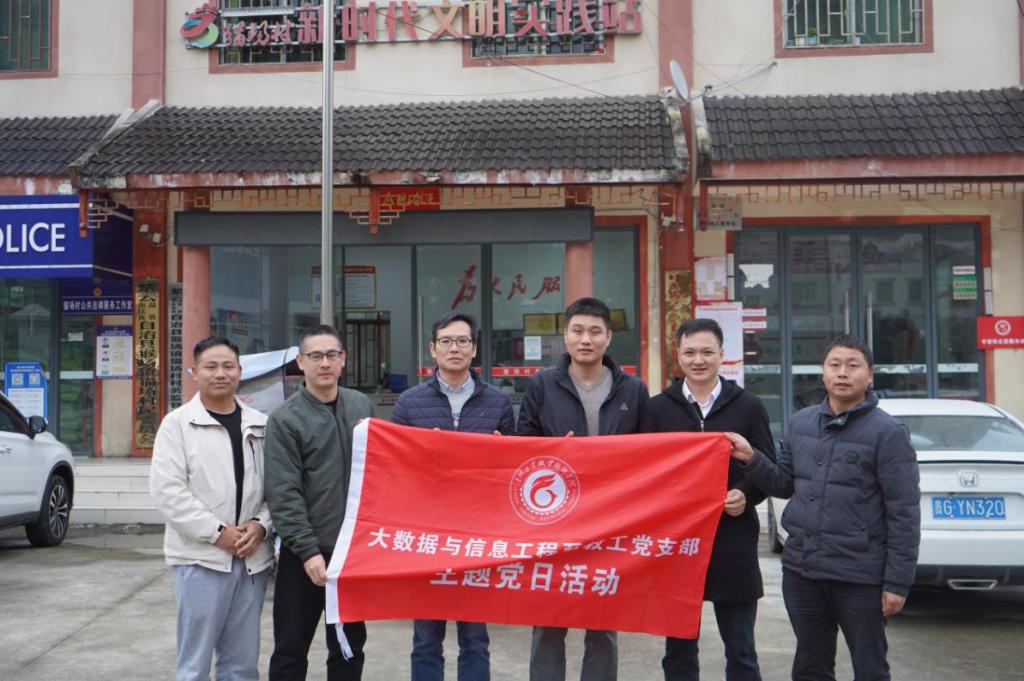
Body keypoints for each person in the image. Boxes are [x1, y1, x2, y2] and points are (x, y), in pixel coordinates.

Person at [727, 334, 920, 681]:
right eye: (835, 365)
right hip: (803, 571)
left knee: (870, 668)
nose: (842, 373)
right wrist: (752, 458)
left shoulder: (888, 432)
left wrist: (897, 582)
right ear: (823, 372)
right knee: (810, 666)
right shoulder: (801, 423)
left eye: (853, 365)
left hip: (860, 575)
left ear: (870, 374)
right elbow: (784, 484)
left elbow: (903, 512)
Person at [517, 297, 649, 681]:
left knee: (604, 618)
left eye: (594, 331)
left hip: (611, 519)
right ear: (566, 336)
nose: (585, 339)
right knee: (548, 617)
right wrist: (556, 452)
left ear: (609, 337)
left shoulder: (633, 389)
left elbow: (649, 452)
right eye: (577, 331)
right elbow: (524, 446)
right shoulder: (542, 384)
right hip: (554, 519)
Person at [639, 318, 775, 681]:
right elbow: (643, 472)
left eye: (706, 352)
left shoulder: (748, 407)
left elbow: (768, 469)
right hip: (678, 545)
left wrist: (746, 494)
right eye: (689, 352)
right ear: (678, 355)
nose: (698, 360)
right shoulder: (656, 409)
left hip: (733, 542)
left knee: (741, 650)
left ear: (722, 355)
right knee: (679, 651)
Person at [391, 311, 516, 681]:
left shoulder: (498, 403)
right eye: (446, 341)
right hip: (427, 535)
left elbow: (512, 469)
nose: (454, 348)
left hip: (478, 534)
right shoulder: (409, 403)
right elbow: (395, 467)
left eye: (463, 341)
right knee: (426, 637)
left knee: (475, 638)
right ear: (433, 349)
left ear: (474, 349)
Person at [150, 336, 273, 681]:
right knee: (195, 662)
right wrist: (217, 533)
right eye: (211, 366)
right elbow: (168, 492)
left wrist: (261, 526)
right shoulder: (177, 424)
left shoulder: (261, 424)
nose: (221, 373)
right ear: (195, 372)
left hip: (251, 558)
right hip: (200, 558)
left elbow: (278, 488)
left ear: (240, 371)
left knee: (242, 662)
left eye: (228, 366)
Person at [265, 324, 375, 681]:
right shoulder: (285, 419)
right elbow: (284, 492)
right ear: (301, 362)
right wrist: (308, 552)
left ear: (343, 359)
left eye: (331, 355)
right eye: (315, 356)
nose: (324, 363)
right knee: (290, 650)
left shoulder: (360, 405)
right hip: (304, 556)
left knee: (348, 648)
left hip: (352, 554)